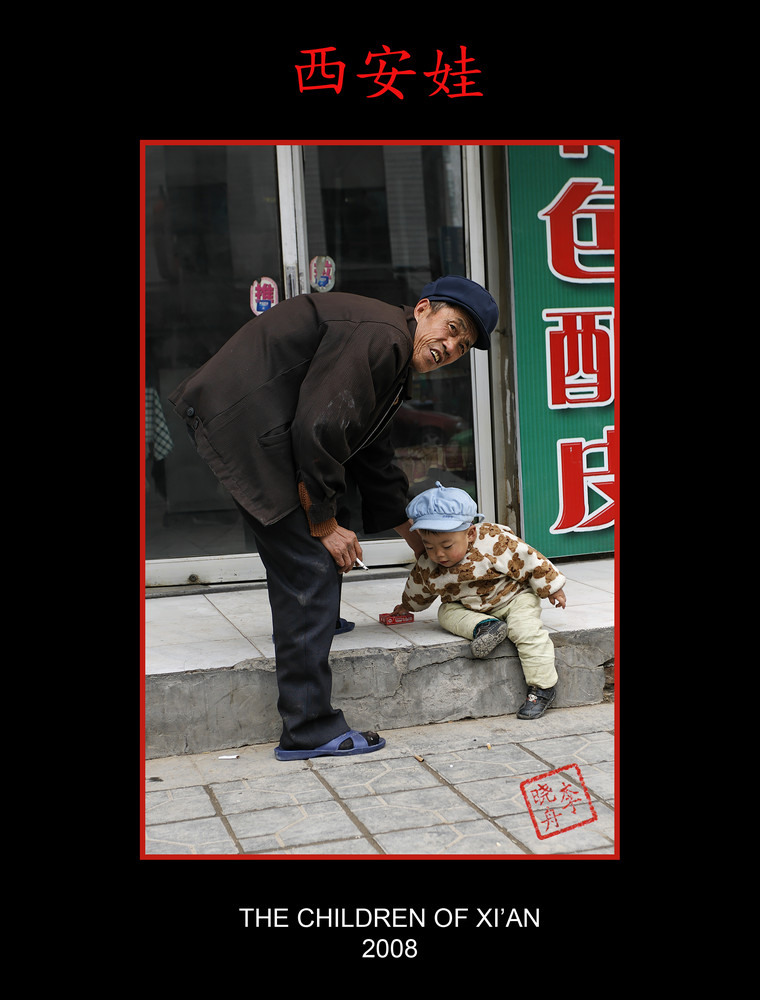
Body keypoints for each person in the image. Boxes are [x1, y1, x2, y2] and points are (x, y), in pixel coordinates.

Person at [168, 276, 499, 759]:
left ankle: (314, 619)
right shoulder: (382, 335)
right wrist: (322, 523)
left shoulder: (394, 351)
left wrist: (413, 532)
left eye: (462, 345)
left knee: (321, 521)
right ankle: (308, 729)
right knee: (312, 558)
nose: (449, 346)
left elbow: (371, 452)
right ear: (423, 309)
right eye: (449, 329)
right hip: (245, 420)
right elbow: (320, 425)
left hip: (256, 420)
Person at [390, 482, 567, 720]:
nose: (438, 554)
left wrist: (552, 588)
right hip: (467, 605)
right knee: (445, 612)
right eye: (429, 546)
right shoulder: (429, 563)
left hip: (513, 597)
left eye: (447, 546)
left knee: (526, 631)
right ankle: (485, 627)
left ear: (470, 533)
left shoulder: (494, 542)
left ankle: (542, 687)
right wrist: (407, 607)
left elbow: (529, 559)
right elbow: (418, 587)